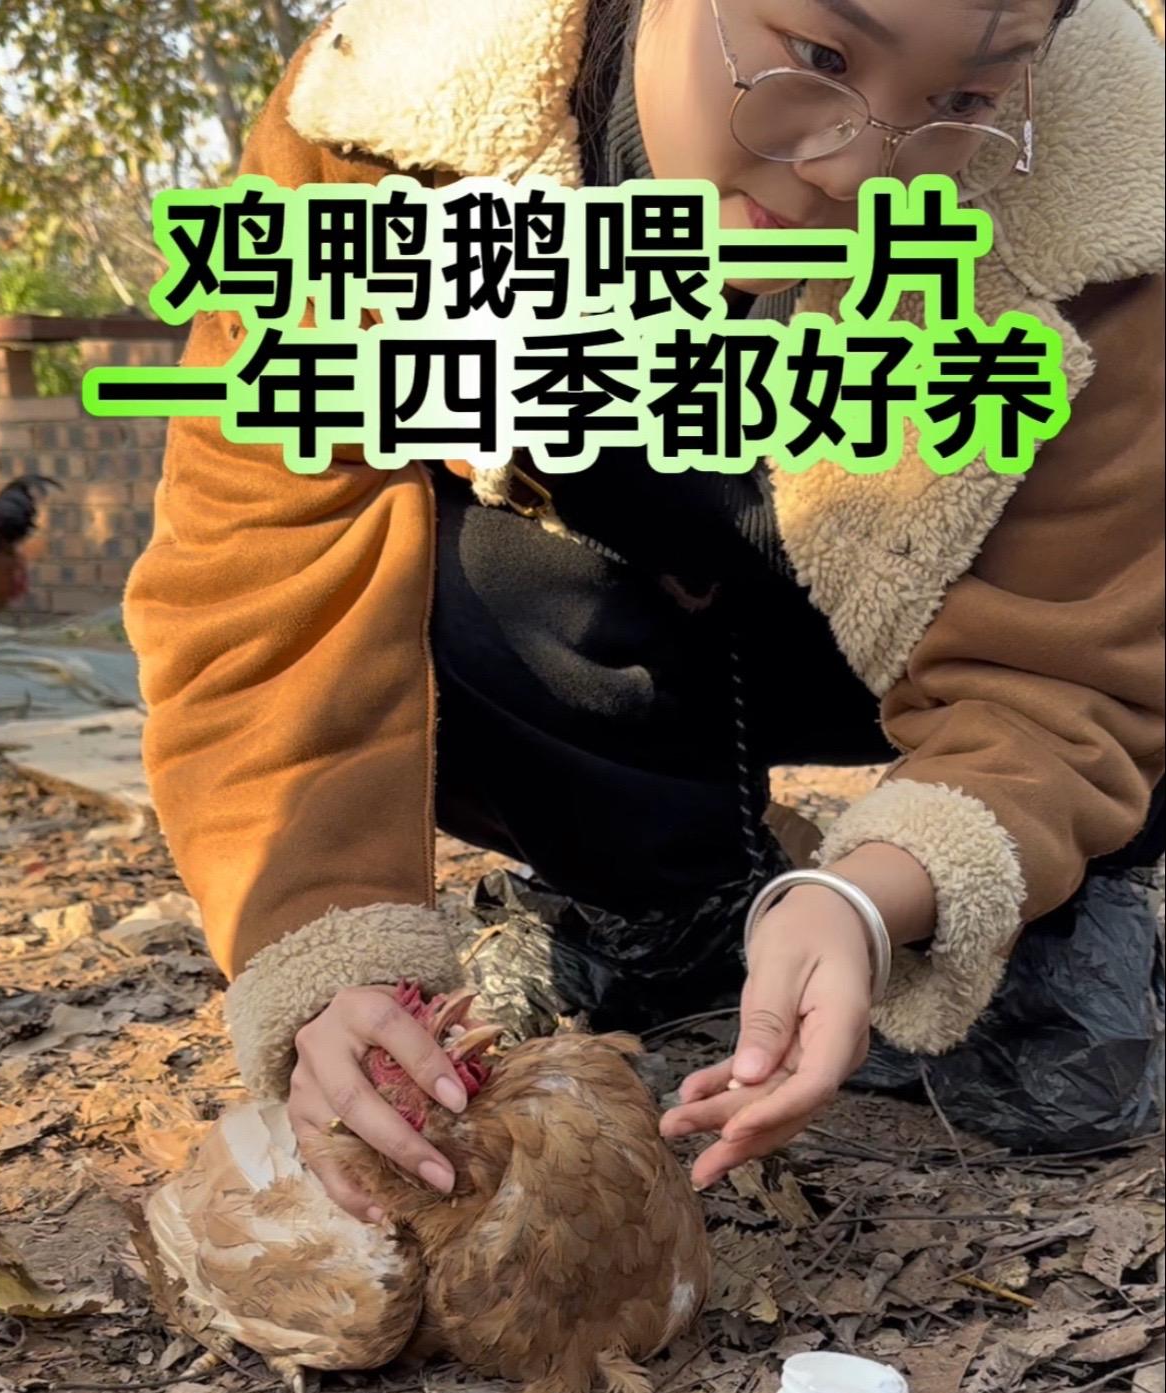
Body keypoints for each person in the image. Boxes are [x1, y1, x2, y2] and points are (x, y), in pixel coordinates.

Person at [125, 0, 1164, 1221]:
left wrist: (879, 888)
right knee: (452, 593)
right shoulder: (391, 100)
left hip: (951, 618)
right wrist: (323, 945)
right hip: (623, 600)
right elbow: (264, 565)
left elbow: (1088, 649)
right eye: (818, 56)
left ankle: (1047, 905)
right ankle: (657, 898)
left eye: (966, 102)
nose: (853, 163)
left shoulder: (1112, 174)